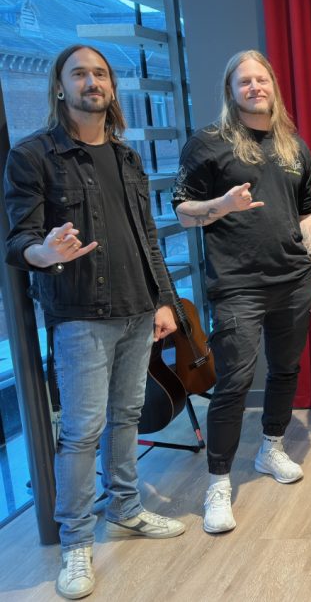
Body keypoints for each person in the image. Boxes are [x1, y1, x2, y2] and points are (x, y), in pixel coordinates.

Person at [4, 44, 185, 599]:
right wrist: (48, 251)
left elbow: (146, 237)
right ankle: (77, 540)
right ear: (60, 87)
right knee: (82, 431)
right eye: (79, 74)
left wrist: (164, 301)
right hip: (80, 315)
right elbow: (19, 241)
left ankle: (126, 508)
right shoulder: (35, 156)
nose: (92, 82)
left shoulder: (127, 158)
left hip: (136, 310)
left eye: (100, 73)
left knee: (127, 416)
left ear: (111, 87)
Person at [173, 50, 311, 532]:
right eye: (245, 82)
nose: (255, 87)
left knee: (286, 369)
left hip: (293, 280)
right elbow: (181, 210)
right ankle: (218, 483)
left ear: (273, 86)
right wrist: (222, 203)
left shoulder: (294, 146)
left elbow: (308, 210)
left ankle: (271, 447)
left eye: (262, 80)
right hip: (237, 284)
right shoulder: (207, 144)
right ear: (231, 91)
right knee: (234, 381)